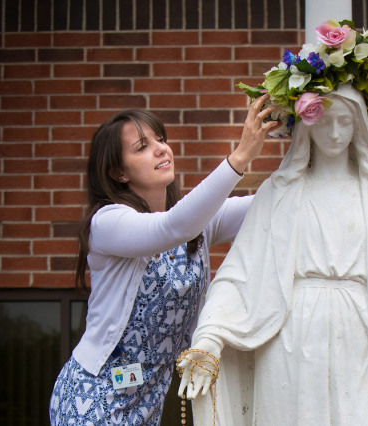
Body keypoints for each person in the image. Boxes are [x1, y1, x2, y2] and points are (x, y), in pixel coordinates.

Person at [178, 85, 368, 425]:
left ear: (359, 125)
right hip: (290, 333)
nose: (334, 132)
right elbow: (240, 274)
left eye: (345, 121)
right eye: (324, 120)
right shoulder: (278, 192)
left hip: (360, 332)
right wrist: (210, 335)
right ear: (307, 124)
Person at [49, 94, 280, 425]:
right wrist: (240, 157)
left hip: (147, 401)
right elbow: (171, 227)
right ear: (118, 173)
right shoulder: (108, 222)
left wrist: (305, 145)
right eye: (142, 147)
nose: (161, 149)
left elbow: (271, 205)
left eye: (161, 140)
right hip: (91, 397)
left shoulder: (197, 223)